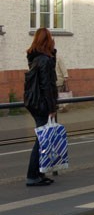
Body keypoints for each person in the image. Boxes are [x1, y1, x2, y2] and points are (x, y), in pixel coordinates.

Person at [24, 27, 59, 187]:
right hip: (42, 104)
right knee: (41, 140)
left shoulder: (36, 57)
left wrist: (53, 54)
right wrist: (52, 107)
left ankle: (39, 173)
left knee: (42, 139)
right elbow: (47, 85)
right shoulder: (44, 60)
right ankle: (32, 176)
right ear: (47, 41)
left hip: (34, 102)